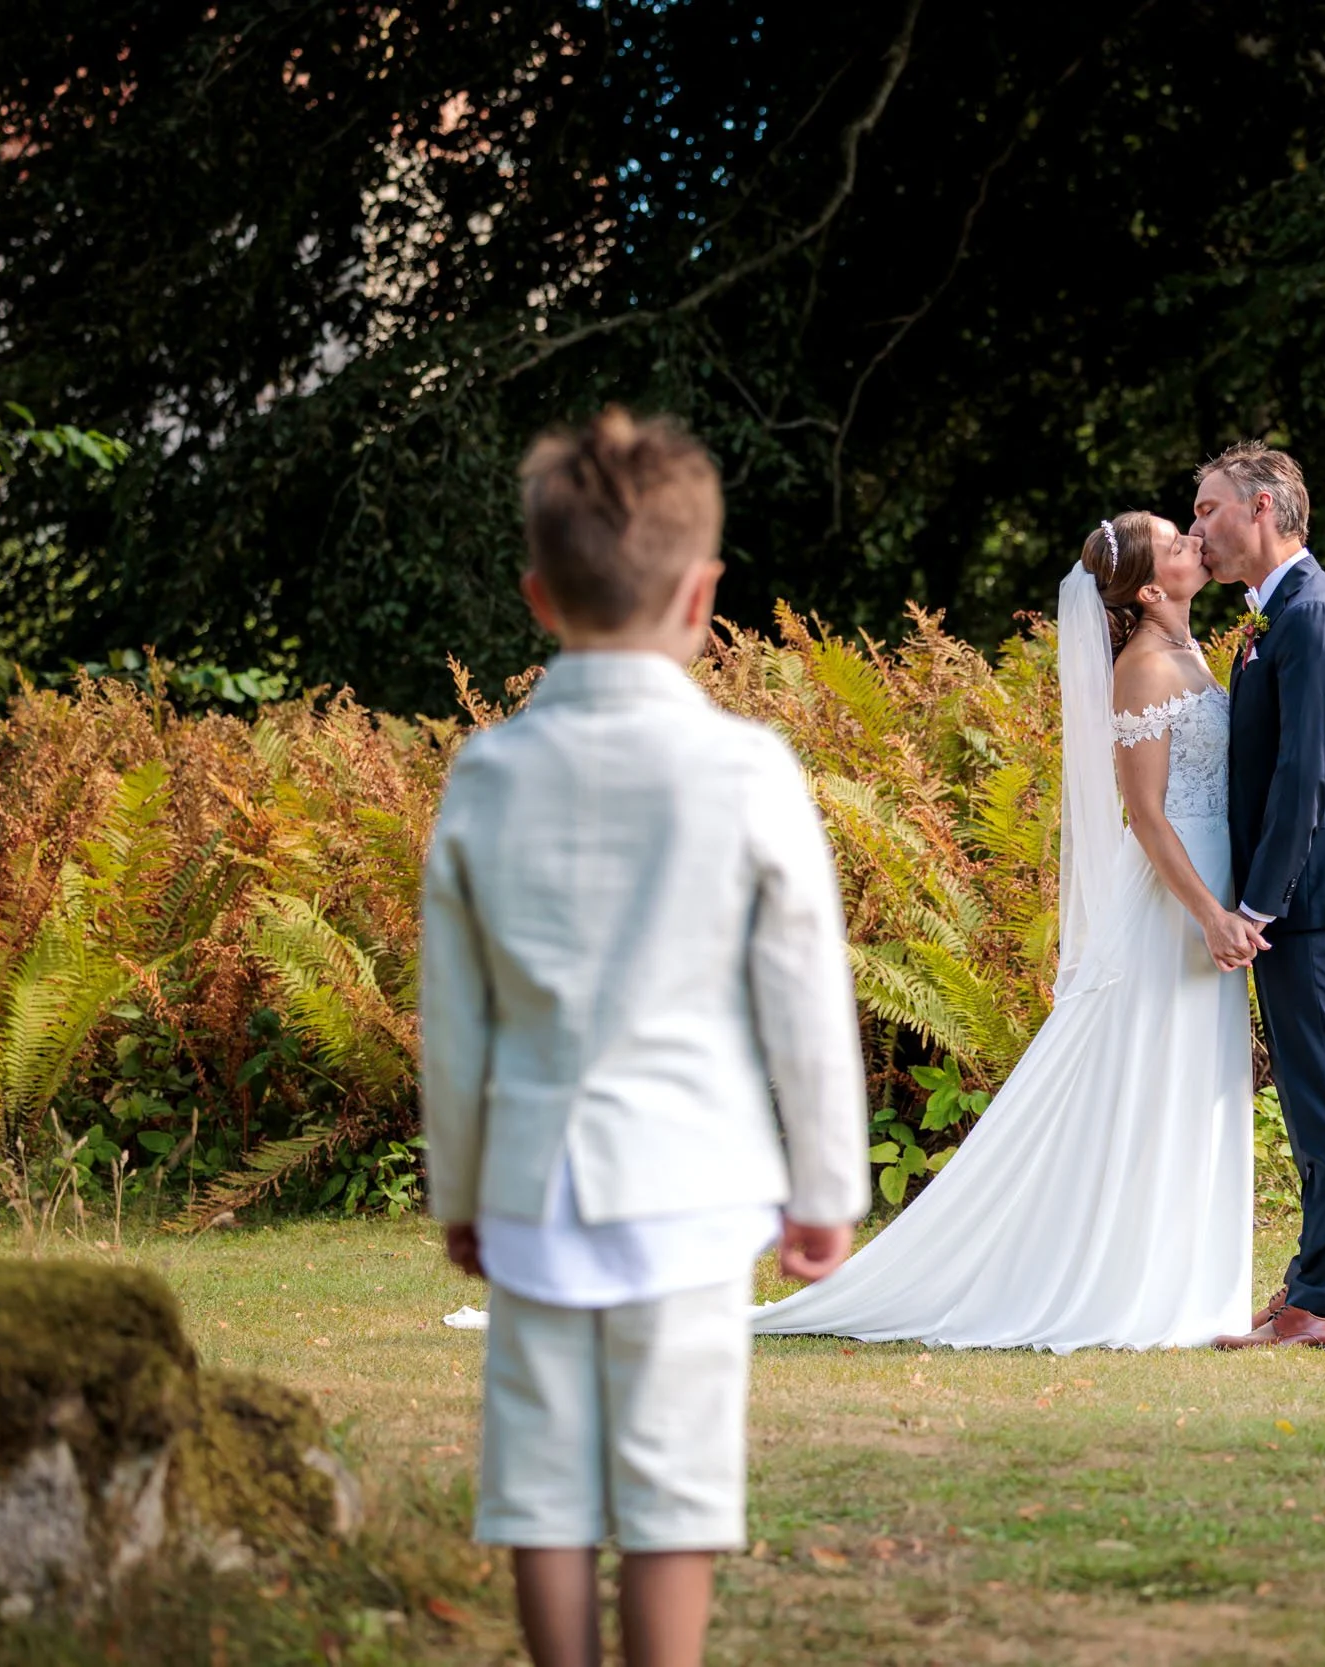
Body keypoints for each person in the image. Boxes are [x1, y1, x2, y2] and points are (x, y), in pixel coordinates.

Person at [421, 407, 869, 1667]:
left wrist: (461, 1187)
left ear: (536, 596)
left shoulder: (485, 774)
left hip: (532, 1183)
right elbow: (805, 998)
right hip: (694, 1179)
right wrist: (826, 1187)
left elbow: (454, 1018)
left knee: (541, 1484)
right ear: (703, 595)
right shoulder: (747, 767)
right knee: (674, 1483)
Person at [753, 511, 1259, 1351]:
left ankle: (1187, 1275)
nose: (1190, 543)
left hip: (1213, 898)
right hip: (1176, 905)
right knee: (1140, 1078)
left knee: (1188, 1078)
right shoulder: (1140, 670)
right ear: (1147, 588)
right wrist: (1209, 912)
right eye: (1174, 541)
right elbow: (1145, 816)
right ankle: (1117, 1278)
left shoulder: (1194, 652)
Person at [1193, 442, 1325, 1350]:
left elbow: (1308, 776)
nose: (1198, 528)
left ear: (1263, 507)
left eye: (1208, 509)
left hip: (1308, 898)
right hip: (1293, 898)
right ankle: (1313, 1282)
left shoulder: (1317, 619)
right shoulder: (1273, 616)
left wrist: (1257, 906)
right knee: (1309, 1097)